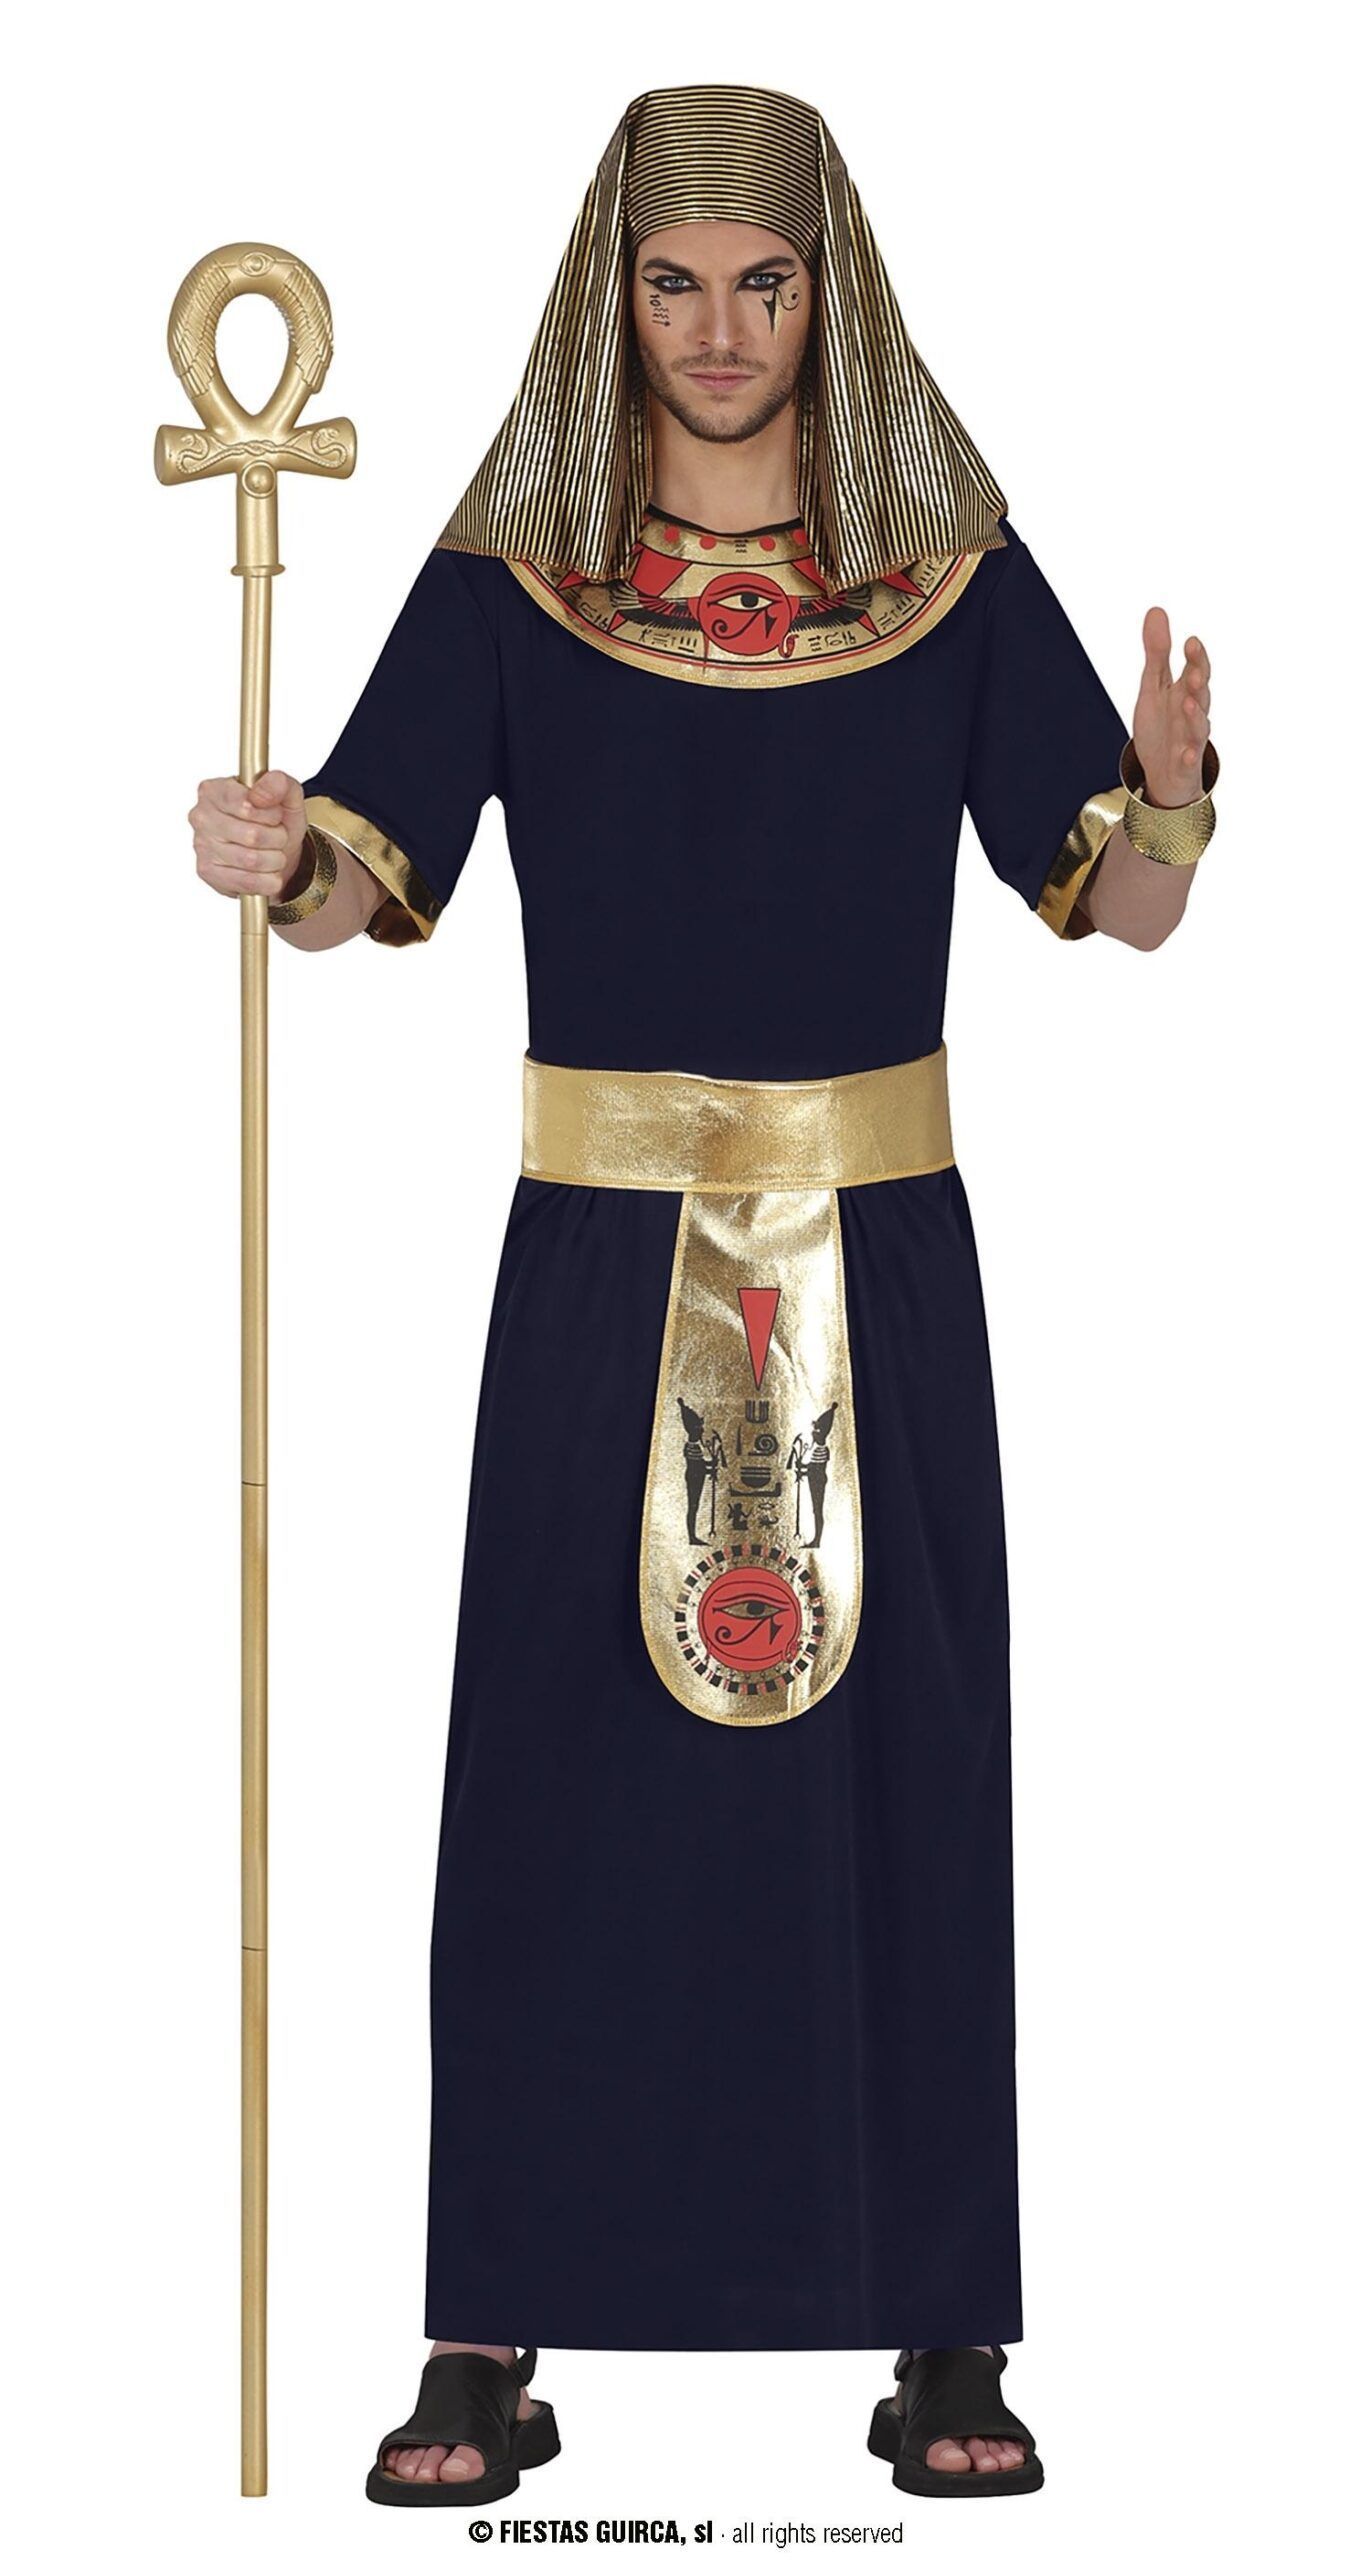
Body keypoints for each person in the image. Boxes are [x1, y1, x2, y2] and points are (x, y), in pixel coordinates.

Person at [186, 83, 1218, 2503]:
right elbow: (356, 886)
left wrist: (1170, 789)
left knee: (905, 1773)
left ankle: (941, 2330)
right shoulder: (520, 567)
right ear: (611, 291)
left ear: (825, 292)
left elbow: (1121, 906)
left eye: (762, 283)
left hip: (881, 1242)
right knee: (551, 1775)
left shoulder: (938, 567)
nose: (720, 330)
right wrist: (271, 851)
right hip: (596, 1249)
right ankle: (484, 2329)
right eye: (674, 282)